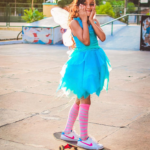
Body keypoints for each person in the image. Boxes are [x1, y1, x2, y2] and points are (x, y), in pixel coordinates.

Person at [56, 0, 112, 149]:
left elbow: (102, 37)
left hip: (94, 61)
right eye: (85, 4)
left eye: (92, 4)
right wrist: (84, 21)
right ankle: (84, 138)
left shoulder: (94, 20)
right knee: (86, 100)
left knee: (79, 100)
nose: (88, 7)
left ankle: (68, 132)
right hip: (83, 64)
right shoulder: (74, 23)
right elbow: (86, 41)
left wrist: (91, 21)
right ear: (78, 6)